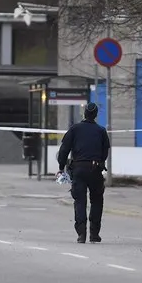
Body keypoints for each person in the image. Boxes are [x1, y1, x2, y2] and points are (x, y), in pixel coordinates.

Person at [56, 102, 111, 243]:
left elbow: (64, 150)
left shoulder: (74, 129)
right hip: (95, 169)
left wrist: (61, 167)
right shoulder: (101, 131)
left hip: (79, 169)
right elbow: (105, 151)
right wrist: (100, 162)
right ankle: (94, 233)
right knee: (97, 201)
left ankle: (81, 234)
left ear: (84, 114)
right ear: (96, 115)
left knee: (80, 201)